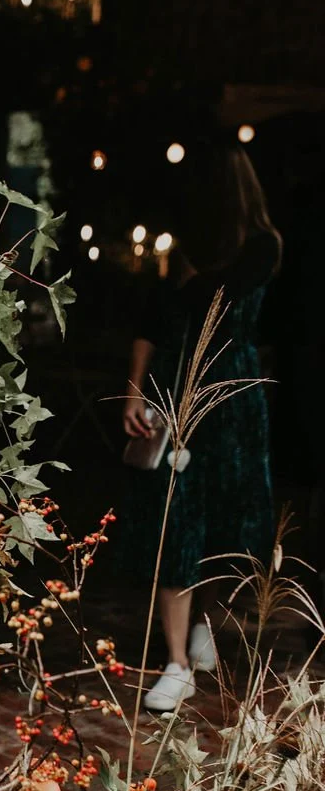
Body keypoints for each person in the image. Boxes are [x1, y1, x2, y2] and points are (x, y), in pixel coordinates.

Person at [121, 140, 281, 711]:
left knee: (229, 522)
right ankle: (176, 662)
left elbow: (218, 298)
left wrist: (186, 277)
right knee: (177, 523)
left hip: (233, 400)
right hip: (177, 393)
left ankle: (202, 624)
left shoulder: (262, 245)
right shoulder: (183, 247)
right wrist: (135, 391)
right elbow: (152, 322)